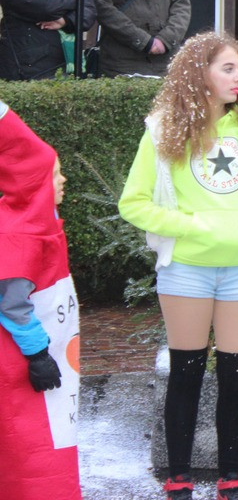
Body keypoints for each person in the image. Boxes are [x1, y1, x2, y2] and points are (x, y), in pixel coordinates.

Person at [118, 33, 238, 500]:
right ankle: (178, 476)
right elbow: (133, 203)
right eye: (228, 68)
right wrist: (193, 225)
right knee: (187, 371)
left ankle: (231, 477)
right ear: (199, 73)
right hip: (186, 270)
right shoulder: (162, 130)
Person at [0, 102, 81, 500]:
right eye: (55, 174)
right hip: (23, 363)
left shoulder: (33, 224)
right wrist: (38, 354)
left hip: (35, 358)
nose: (64, 180)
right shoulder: (22, 231)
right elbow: (12, 302)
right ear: (36, 184)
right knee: (34, 452)